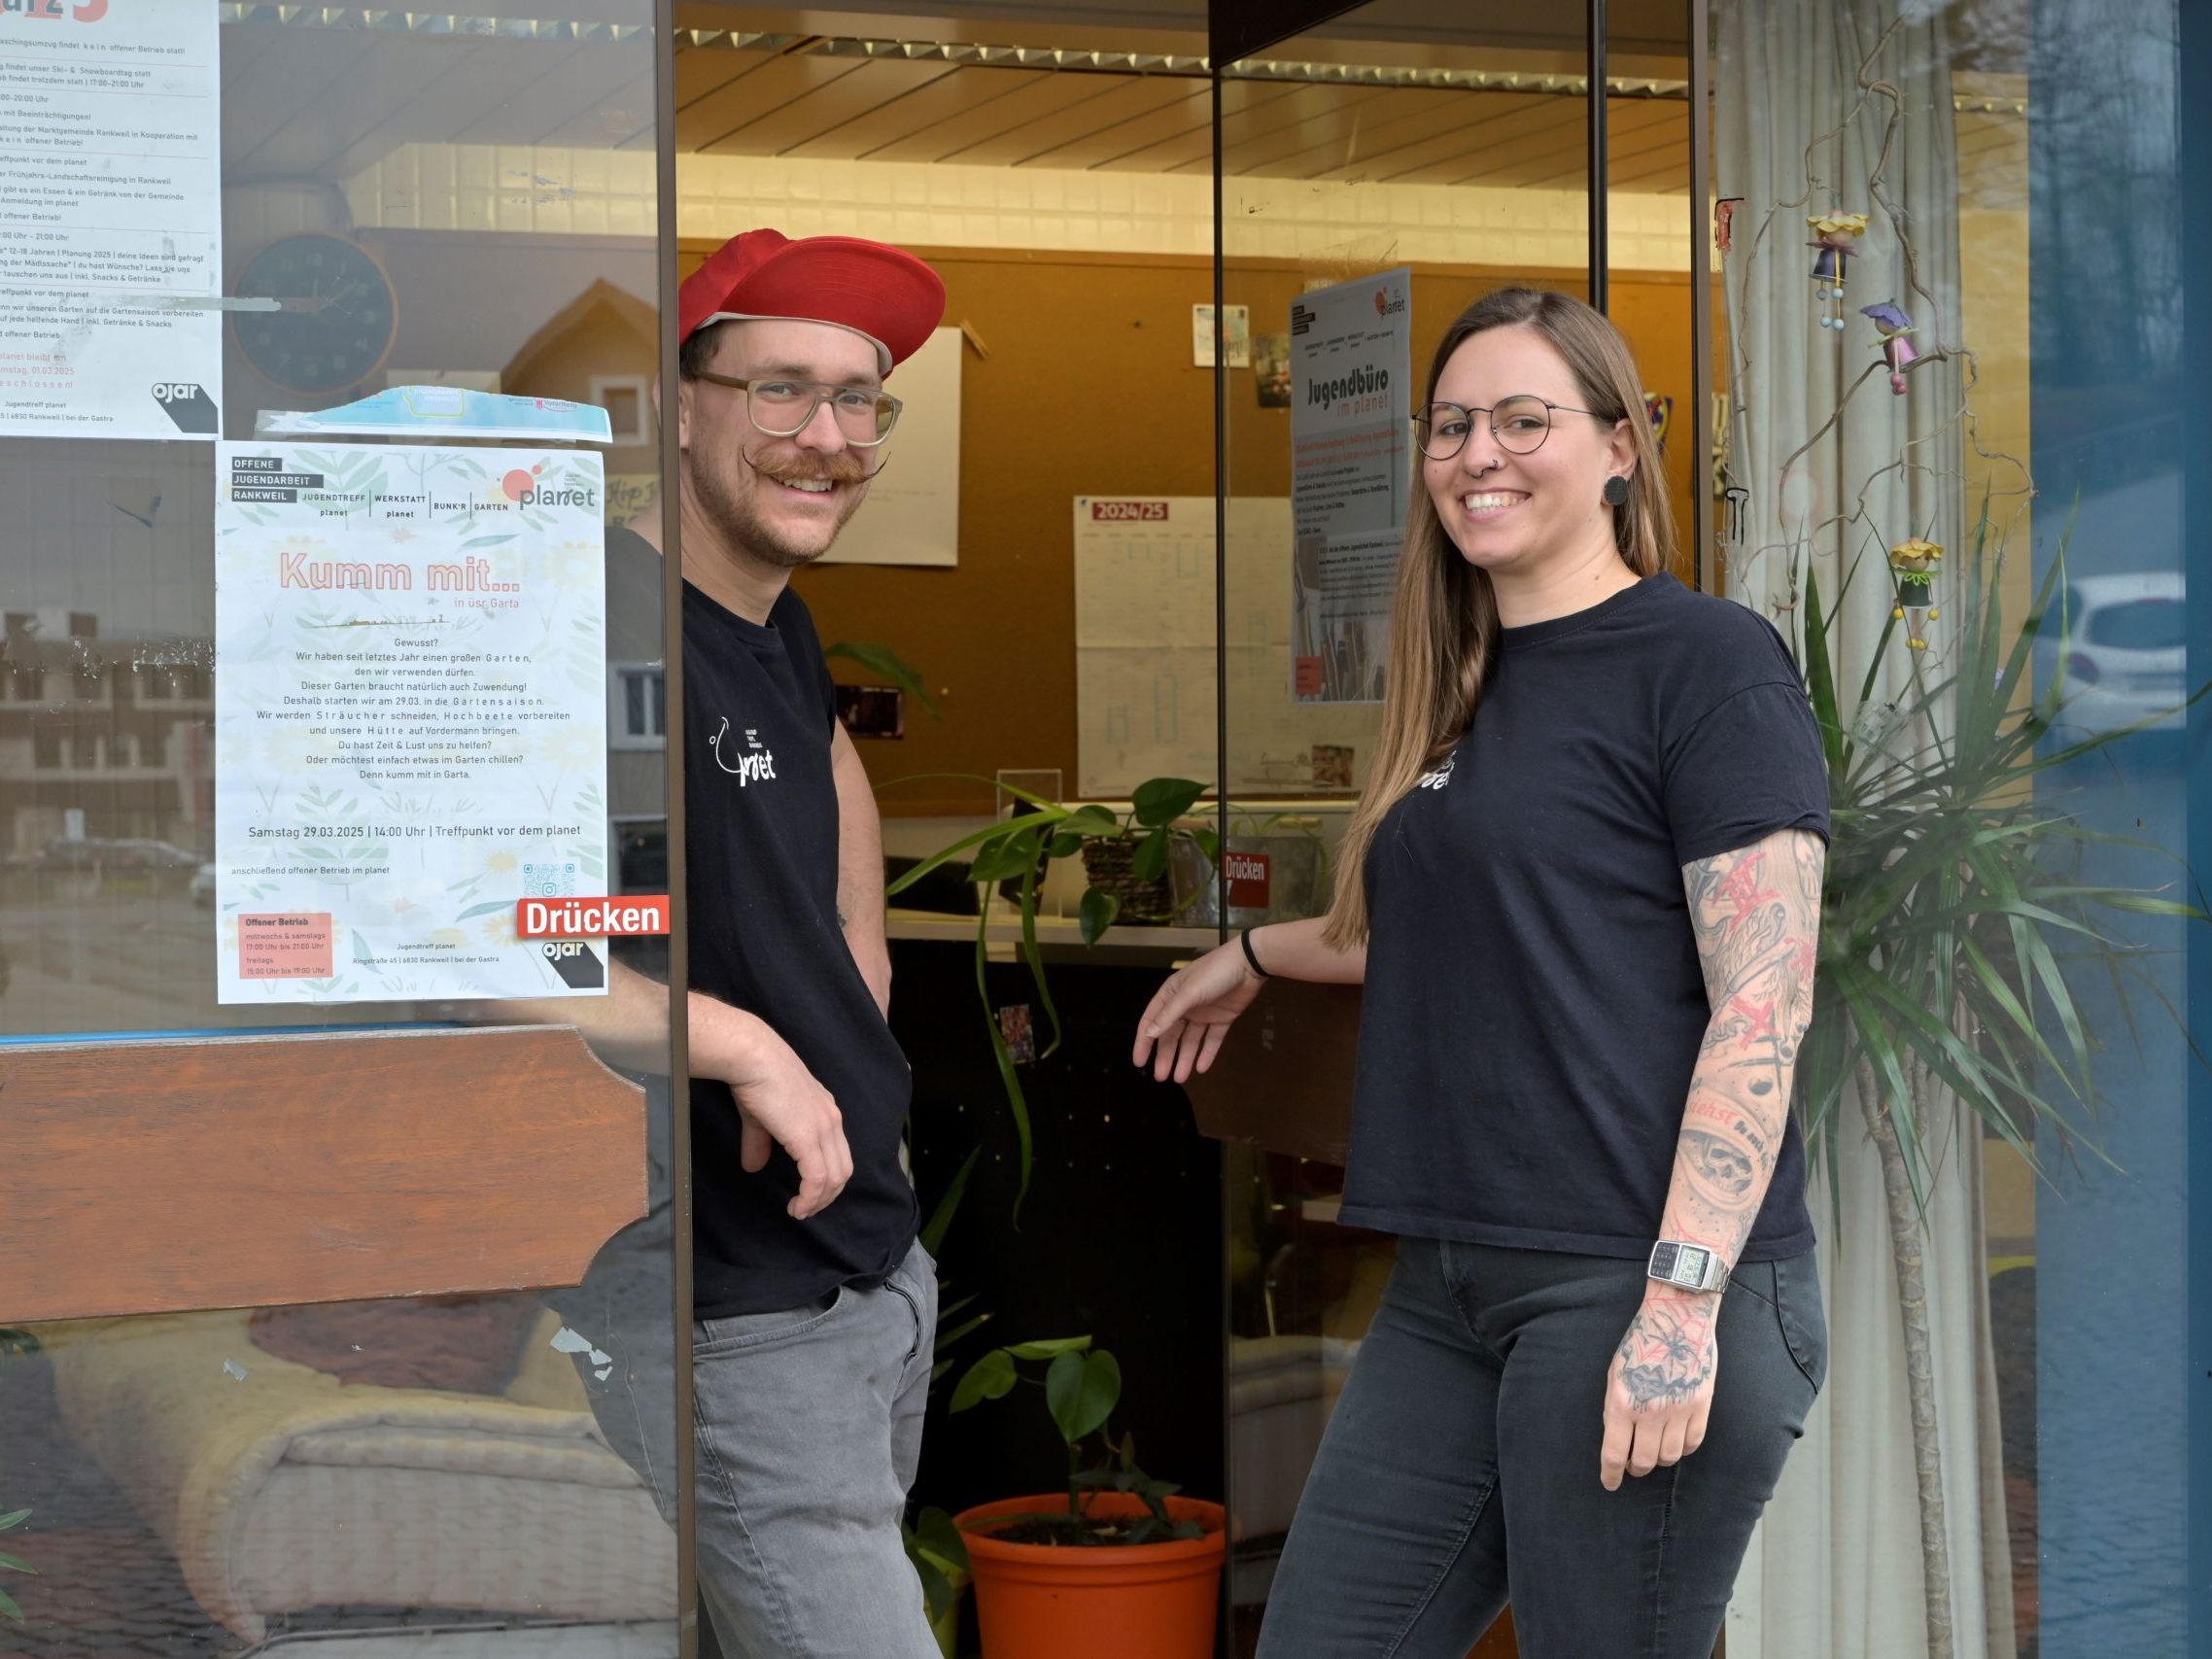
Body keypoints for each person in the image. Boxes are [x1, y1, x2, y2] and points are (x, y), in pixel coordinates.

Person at [1133, 287, 1830, 1658]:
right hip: (1455, 1277)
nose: (1478, 454)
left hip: (1630, 1273)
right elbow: (1480, 920)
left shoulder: (1705, 663)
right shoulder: (1465, 676)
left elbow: (1765, 991)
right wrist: (1254, 952)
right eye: (1452, 426)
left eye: (1525, 419)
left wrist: (1682, 1303)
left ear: (1623, 446)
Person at [544, 227, 950, 1658]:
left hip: (867, 1277)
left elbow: (828, 772)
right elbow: (493, 949)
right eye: (782, 389)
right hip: (726, 1308)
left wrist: (858, 978)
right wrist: (743, 1041)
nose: (827, 437)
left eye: (861, 399)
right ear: (685, 405)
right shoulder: (590, 626)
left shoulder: (769, 621)